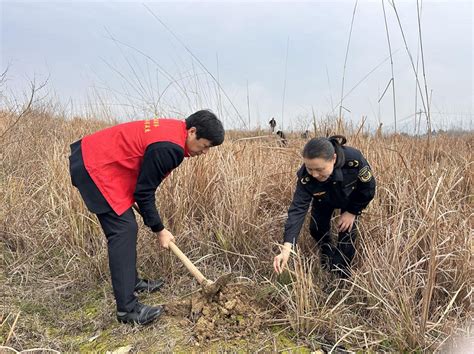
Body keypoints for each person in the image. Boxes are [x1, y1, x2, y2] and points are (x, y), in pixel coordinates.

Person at [69, 110, 224, 325]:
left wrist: (153, 221)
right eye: (205, 145)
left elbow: (141, 182)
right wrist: (160, 229)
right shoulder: (170, 149)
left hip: (98, 159)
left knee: (126, 226)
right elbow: (144, 192)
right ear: (192, 131)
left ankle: (131, 282)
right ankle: (127, 310)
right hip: (95, 166)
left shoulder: (174, 131)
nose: (205, 152)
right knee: (124, 230)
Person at [273, 135, 376, 277]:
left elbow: (368, 188)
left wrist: (352, 212)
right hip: (323, 198)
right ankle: (327, 253)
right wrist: (287, 248)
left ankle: (340, 276)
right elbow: (297, 209)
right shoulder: (306, 176)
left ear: (333, 159)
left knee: (346, 236)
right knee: (316, 229)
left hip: (350, 199)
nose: (314, 174)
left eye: (320, 169)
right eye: (310, 169)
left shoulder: (354, 160)